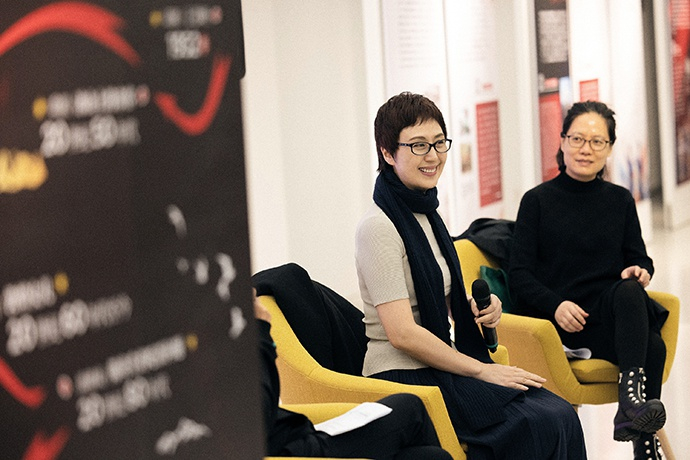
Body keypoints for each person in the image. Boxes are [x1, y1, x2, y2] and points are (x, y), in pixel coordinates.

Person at [355, 91, 587, 459]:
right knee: (539, 422)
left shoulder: (426, 212)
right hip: (403, 376)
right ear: (387, 152)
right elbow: (401, 333)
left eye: (438, 143)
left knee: (559, 414)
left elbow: (436, 296)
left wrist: (479, 307)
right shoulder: (379, 227)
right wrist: (480, 371)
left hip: (439, 363)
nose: (433, 156)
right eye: (418, 145)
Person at [508, 101, 667, 460]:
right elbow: (519, 274)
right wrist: (555, 305)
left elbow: (639, 258)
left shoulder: (620, 200)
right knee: (653, 346)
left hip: (611, 317)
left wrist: (640, 270)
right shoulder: (536, 201)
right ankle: (643, 440)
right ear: (562, 142)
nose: (586, 149)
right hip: (565, 325)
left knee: (630, 290)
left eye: (597, 141)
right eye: (577, 139)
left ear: (609, 149)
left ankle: (632, 412)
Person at [255, 290, 452, 460]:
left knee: (431, 455)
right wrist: (260, 331)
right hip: (289, 450)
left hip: (291, 436)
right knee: (411, 408)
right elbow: (258, 416)